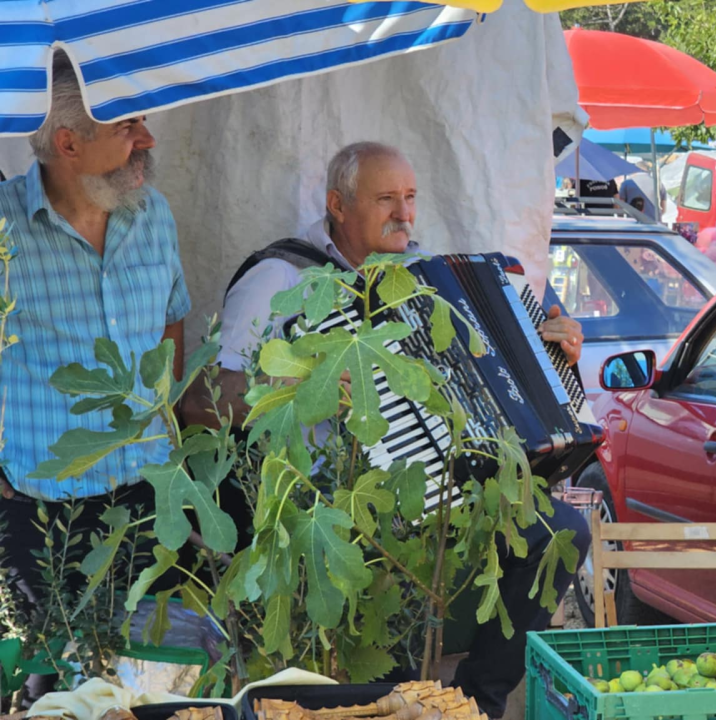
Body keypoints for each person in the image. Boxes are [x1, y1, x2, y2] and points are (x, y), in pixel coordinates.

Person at [180, 142, 589, 719]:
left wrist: (553, 352)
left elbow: (479, 374)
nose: (405, 213)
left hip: (432, 486)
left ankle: (477, 704)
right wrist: (307, 386)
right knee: (386, 647)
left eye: (411, 197)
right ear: (338, 205)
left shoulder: (420, 277)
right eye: (386, 199)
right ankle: (395, 705)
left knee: (562, 529)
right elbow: (203, 401)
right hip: (332, 503)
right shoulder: (280, 277)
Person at [0, 51, 189, 613]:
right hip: (42, 518)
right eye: (127, 125)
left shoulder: (153, 213)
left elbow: (171, 320)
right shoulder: (4, 227)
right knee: (54, 693)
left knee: (157, 686)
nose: (147, 139)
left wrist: (165, 419)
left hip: (151, 503)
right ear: (68, 143)